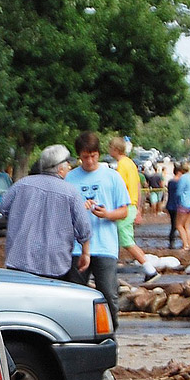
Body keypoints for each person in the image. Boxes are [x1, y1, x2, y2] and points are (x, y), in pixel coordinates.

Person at [65, 131, 130, 327]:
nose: (90, 161)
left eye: (93, 156)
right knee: (75, 293)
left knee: (109, 293)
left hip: (105, 246)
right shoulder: (70, 178)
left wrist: (107, 214)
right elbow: (64, 213)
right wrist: (79, 210)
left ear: (99, 154)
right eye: (85, 157)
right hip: (77, 247)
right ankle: (77, 331)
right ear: (79, 156)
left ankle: (111, 332)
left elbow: (124, 211)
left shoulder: (112, 176)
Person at [0, 144, 91, 280]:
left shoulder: (21, 185)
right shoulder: (71, 192)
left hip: (19, 260)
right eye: (67, 164)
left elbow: (4, 208)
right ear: (60, 168)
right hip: (53, 264)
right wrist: (86, 253)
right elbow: (83, 227)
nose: (70, 167)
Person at [109, 137, 158, 282]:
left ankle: (150, 269)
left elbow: (119, 187)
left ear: (115, 149)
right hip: (132, 205)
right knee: (120, 238)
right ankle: (112, 268)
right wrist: (138, 208)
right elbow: (137, 184)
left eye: (110, 147)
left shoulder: (121, 165)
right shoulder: (130, 163)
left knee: (127, 241)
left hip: (124, 206)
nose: (108, 150)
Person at [174, 163, 190, 250]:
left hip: (184, 203)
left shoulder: (183, 178)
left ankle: (185, 245)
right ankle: (189, 244)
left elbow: (179, 192)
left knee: (179, 225)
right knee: (187, 226)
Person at [165, 168, 181, 249]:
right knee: (176, 224)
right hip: (176, 205)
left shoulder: (170, 182)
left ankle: (172, 240)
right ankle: (172, 241)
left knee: (173, 224)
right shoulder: (178, 182)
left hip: (170, 204)